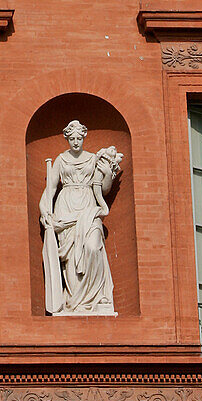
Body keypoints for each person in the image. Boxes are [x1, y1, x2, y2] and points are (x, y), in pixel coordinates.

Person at [39, 119, 122, 315]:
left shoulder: (93, 159)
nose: (75, 142)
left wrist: (107, 174)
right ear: (67, 138)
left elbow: (103, 189)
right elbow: (50, 189)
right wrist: (44, 211)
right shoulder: (60, 160)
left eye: (79, 138)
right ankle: (74, 301)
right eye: (72, 138)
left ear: (84, 137)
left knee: (93, 247)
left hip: (88, 207)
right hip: (65, 206)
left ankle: (96, 296)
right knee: (70, 258)